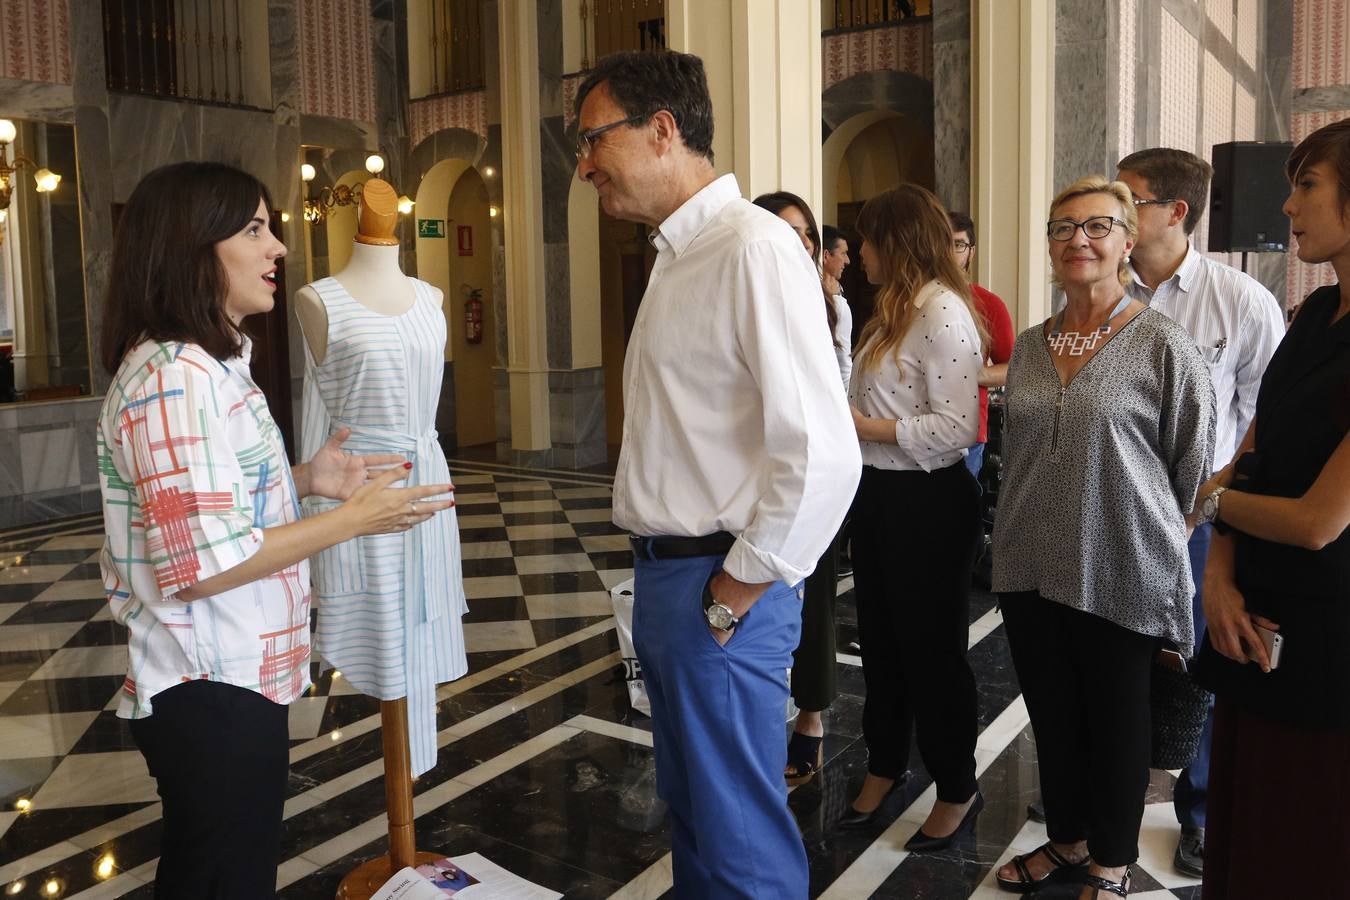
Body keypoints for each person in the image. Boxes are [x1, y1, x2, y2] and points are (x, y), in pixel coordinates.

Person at [95, 162, 455, 898]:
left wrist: (306, 479)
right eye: (254, 229)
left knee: (220, 870)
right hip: (210, 687)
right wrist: (353, 520)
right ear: (194, 247)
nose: (278, 247)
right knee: (223, 877)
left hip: (231, 679)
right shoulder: (175, 378)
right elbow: (203, 565)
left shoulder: (208, 365)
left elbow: (208, 506)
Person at [574, 52, 860, 898]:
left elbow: (823, 453)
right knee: (697, 816)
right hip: (673, 576)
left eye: (593, 139)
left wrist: (733, 592)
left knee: (739, 842)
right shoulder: (678, 252)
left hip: (719, 580)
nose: (585, 165)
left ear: (662, 129)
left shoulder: (752, 248)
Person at [992, 176, 1214, 898]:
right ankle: (1067, 840)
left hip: (1123, 564)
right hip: (1028, 561)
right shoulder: (1032, 345)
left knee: (1118, 721)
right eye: (1062, 227)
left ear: (1127, 240)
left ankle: (1111, 861)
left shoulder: (1162, 344)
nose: (1077, 240)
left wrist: (1153, 534)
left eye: (1097, 226)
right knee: (1053, 715)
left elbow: (1192, 469)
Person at [1111, 147, 1285, 878]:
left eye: (1129, 199)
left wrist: (1209, 501)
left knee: (1199, 667)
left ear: (1175, 212)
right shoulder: (1103, 290)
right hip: (1112, 513)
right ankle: (1105, 802)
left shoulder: (1239, 302)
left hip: (1195, 519)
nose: (1113, 212)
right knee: (1112, 660)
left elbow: (1267, 423)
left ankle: (1204, 809)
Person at [1191, 117, 1350, 900]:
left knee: (1304, 839)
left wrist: (1212, 502)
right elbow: (1250, 454)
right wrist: (1217, 581)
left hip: (1330, 638)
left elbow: (1319, 522)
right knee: (1247, 824)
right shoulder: (1317, 314)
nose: (1288, 206)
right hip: (1252, 613)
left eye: (1307, 185)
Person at [838, 184, 987, 853]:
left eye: (868, 239)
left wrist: (861, 426)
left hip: (928, 502)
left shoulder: (942, 312)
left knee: (933, 654)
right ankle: (885, 764)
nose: (859, 251)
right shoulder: (889, 312)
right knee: (881, 645)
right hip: (879, 495)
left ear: (896, 243)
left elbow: (957, 427)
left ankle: (956, 786)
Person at [751, 191, 853, 787]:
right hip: (751, 471)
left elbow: (839, 385)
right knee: (759, 600)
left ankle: (811, 718)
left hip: (813, 470)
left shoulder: (830, 306)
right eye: (785, 231)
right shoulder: (746, 293)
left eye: (807, 234)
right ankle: (761, 720)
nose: (800, 243)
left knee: (813, 602)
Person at [947, 211, 1014, 481]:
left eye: (958, 244)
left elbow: (1013, 367)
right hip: (911, 427)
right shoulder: (909, 301)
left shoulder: (989, 304)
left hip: (967, 432)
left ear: (971, 252)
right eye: (941, 242)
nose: (948, 252)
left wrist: (971, 375)